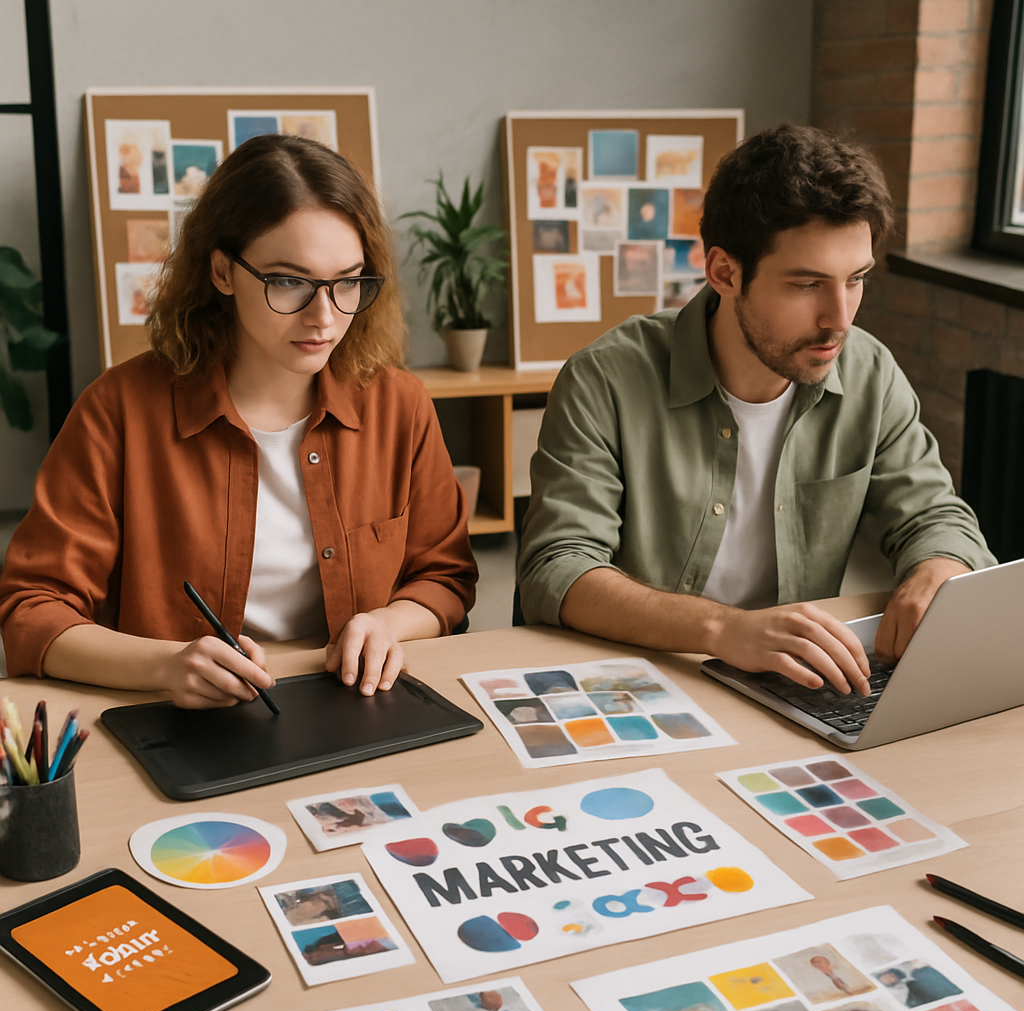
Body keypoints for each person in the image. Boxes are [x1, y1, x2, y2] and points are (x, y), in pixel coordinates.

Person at [0, 134, 476, 706]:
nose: (324, 316)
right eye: (289, 281)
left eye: (348, 281)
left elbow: (445, 577)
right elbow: (33, 609)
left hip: (354, 703)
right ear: (222, 271)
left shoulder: (400, 406)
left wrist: (387, 623)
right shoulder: (119, 410)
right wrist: (164, 666)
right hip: (179, 715)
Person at [518, 124, 993, 695]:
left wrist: (940, 568)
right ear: (725, 272)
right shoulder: (605, 379)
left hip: (791, 683)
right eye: (807, 284)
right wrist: (723, 629)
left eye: (856, 280)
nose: (840, 318)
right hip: (640, 680)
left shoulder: (870, 373)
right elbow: (557, 565)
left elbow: (934, 515)